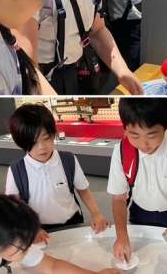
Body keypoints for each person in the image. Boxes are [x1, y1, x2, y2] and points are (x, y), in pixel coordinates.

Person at [107, 98, 167, 263]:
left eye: (151, 135)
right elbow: (118, 198)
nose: (144, 144)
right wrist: (121, 236)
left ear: (165, 126)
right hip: (139, 213)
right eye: (134, 135)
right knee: (143, 260)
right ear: (125, 129)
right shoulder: (121, 150)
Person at [6, 103, 110, 240]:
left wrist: (96, 214)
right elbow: (15, 205)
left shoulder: (68, 160)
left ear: (54, 133)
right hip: (39, 230)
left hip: (72, 222)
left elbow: (83, 190)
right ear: (21, 142)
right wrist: (30, 228)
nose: (42, 147)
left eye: (46, 138)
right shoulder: (16, 170)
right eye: (33, 142)